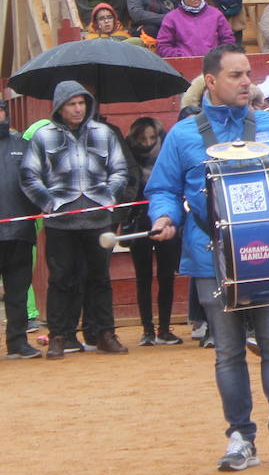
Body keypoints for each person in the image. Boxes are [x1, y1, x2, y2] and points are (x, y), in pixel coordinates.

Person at [144, 44, 269, 470]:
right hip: (209, 257)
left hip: (268, 256)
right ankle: (240, 436)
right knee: (228, 350)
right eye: (236, 75)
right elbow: (163, 189)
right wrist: (164, 217)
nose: (246, 82)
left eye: (248, 74)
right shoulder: (183, 136)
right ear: (211, 82)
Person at [20, 81, 130, 358]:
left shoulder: (104, 133)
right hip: (60, 223)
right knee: (60, 280)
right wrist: (51, 203)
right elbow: (29, 176)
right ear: (59, 107)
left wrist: (105, 198)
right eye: (72, 104)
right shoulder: (43, 137)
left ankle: (105, 333)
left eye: (82, 103)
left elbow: (119, 170)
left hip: (97, 221)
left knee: (101, 279)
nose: (78, 108)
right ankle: (59, 336)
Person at [119, 117, 180, 346]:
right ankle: (147, 330)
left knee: (166, 275)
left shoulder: (167, 153)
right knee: (142, 277)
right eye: (143, 138)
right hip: (139, 219)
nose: (147, 143)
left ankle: (164, 328)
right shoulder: (128, 156)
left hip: (165, 219)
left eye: (152, 138)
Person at [0, 98, 41, 360]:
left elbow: (36, 183)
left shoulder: (23, 146)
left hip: (20, 233)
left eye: (1, 111)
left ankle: (17, 342)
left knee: (17, 292)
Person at [156, 0, 236, 58]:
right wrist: (180, 56)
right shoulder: (171, 18)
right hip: (183, 66)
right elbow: (163, 46)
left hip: (213, 66)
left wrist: (217, 56)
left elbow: (228, 40)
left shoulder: (216, 14)